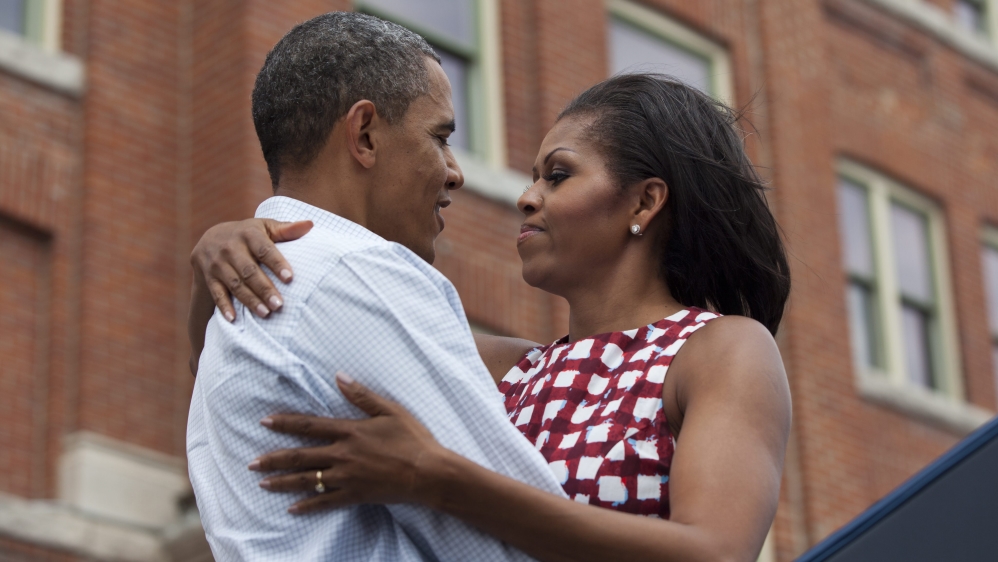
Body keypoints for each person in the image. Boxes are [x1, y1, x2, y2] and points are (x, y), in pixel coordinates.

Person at [191, 69, 793, 562]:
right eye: (533, 178)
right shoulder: (508, 368)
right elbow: (260, 370)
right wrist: (222, 259)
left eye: (558, 175)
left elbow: (713, 553)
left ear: (645, 201)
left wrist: (438, 478)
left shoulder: (722, 351)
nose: (527, 197)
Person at [186, 12, 570, 561]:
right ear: (364, 134)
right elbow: (513, 548)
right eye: (439, 137)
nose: (455, 171)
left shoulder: (252, 293)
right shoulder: (355, 273)